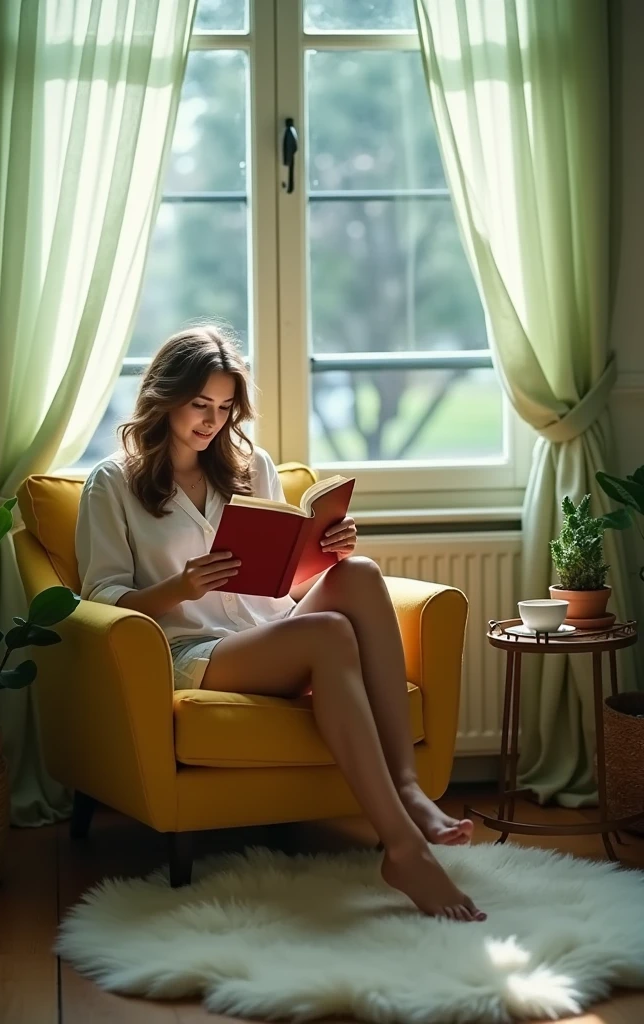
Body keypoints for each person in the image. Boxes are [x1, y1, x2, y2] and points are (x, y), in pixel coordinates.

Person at [76, 324, 486, 924]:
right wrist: (182, 587)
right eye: (199, 405)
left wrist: (325, 552)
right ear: (164, 397)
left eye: (223, 407)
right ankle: (402, 849)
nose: (212, 421)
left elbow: (282, 584)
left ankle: (408, 788)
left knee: (362, 573)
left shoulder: (251, 465)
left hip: (272, 629)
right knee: (328, 634)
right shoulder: (112, 483)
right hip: (196, 652)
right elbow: (102, 600)